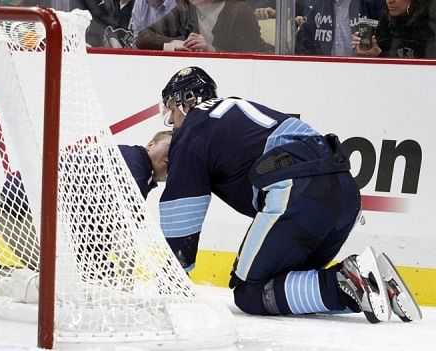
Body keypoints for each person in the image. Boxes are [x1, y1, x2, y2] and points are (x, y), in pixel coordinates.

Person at [158, 66, 422, 323]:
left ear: (187, 100)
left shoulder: (194, 128)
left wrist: (172, 280)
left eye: (170, 107)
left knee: (251, 291)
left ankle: (346, 281)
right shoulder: (234, 111)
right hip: (346, 194)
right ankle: (375, 286)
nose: (170, 120)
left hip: (301, 191)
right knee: (284, 280)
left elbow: (182, 211)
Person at [0, 131, 173, 277]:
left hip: (29, 211)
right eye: (169, 147)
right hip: (19, 210)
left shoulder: (140, 176)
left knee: (86, 279)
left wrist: (99, 267)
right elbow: (120, 236)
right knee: (59, 282)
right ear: (150, 144)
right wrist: (125, 284)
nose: (172, 157)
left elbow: (95, 220)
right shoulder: (134, 164)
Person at [136, 0, 272, 53]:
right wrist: (174, 43)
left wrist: (212, 51)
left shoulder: (240, 11)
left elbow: (252, 60)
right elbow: (143, 38)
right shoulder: (186, 10)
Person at [295, 0, 385, 56]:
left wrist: (378, 54)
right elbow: (305, 47)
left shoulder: (374, 3)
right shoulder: (314, 4)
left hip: (366, 74)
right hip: (323, 74)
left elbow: (390, 45)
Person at [352, 0, 436, 58]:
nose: (390, 1)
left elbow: (424, 62)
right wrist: (366, 50)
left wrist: (380, 55)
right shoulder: (385, 21)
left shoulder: (430, 23)